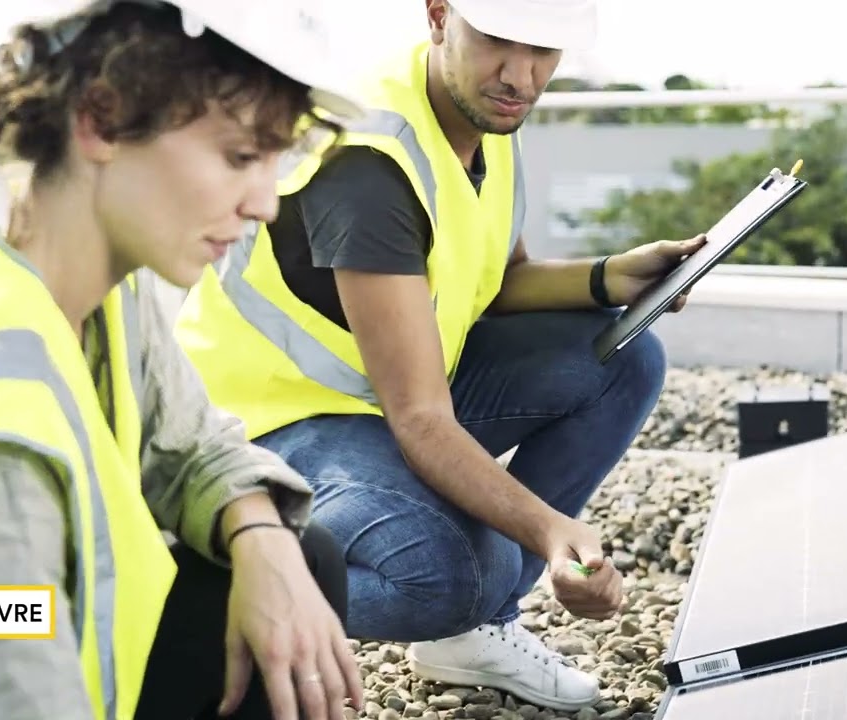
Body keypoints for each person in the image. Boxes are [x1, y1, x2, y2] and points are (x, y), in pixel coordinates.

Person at [0, 2, 369, 719]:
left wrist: (260, 537)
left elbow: (191, 446)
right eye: (241, 156)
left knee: (304, 555)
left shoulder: (51, 259)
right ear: (101, 117)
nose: (266, 203)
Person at [172, 0, 708, 712]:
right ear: (438, 15)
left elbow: (496, 281)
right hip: (270, 417)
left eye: (543, 51)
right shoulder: (370, 165)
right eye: (497, 42)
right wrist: (552, 533)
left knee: (622, 355)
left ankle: (470, 635)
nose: (521, 75)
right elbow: (421, 418)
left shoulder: (486, 116)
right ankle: (200, 607)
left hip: (380, 395)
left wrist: (614, 275)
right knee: (458, 574)